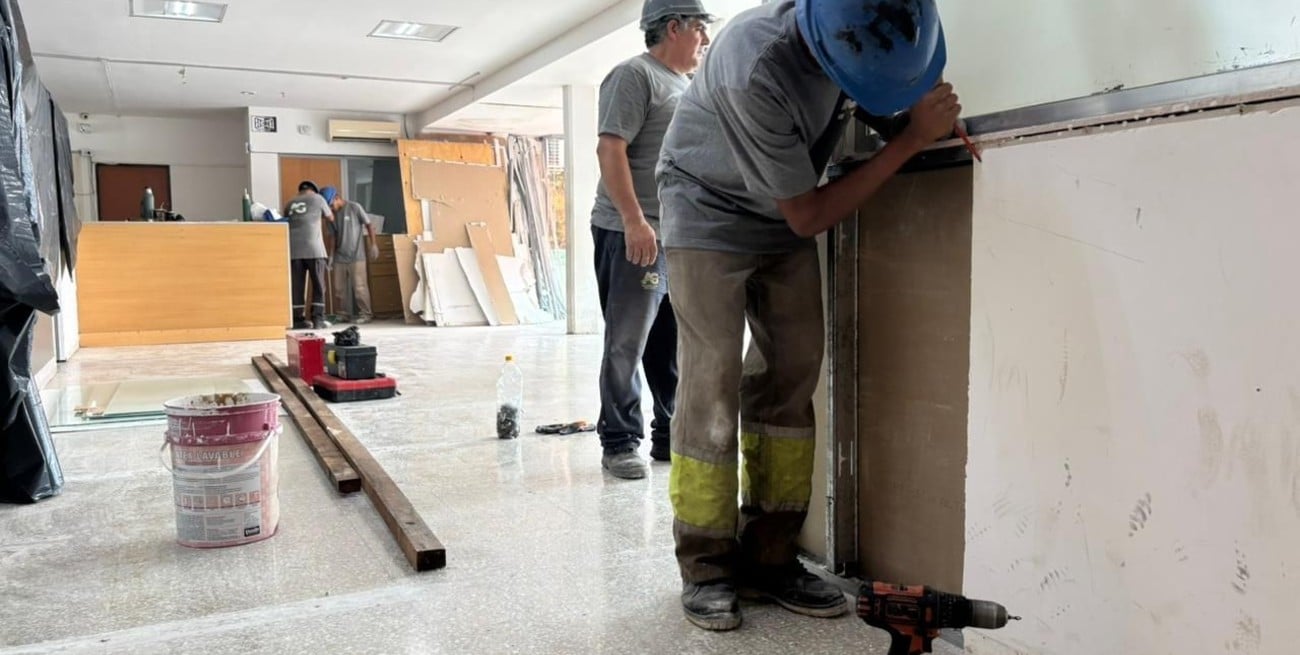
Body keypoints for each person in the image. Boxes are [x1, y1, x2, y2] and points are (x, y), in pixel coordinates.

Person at [656, 0, 962, 631]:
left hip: (780, 212)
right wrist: (911, 140)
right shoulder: (753, 67)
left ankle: (770, 555)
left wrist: (909, 106)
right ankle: (707, 566)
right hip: (707, 211)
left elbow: (871, 99)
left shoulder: (853, 29)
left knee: (792, 377)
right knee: (711, 387)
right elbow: (808, 216)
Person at [591, 0, 715, 480]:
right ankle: (620, 439)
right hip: (632, 231)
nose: (704, 39)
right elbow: (610, 148)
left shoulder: (686, 85)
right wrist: (633, 220)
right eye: (700, 28)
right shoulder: (634, 76)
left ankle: (669, 434)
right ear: (674, 26)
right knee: (627, 340)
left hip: (675, 235)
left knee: (670, 342)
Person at [321, 186, 379, 325]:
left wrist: (373, 244)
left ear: (337, 198)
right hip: (340, 257)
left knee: (360, 288)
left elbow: (369, 225)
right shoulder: (331, 216)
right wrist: (331, 256)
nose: (330, 208)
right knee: (339, 289)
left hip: (357, 256)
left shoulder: (354, 207)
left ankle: (366, 314)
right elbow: (333, 236)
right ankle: (343, 314)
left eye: (331, 204)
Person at [283, 180, 334, 330]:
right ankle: (318, 319)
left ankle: (298, 320)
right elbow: (330, 217)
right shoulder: (318, 199)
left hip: (293, 250)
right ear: (313, 190)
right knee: (318, 285)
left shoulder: (290, 202)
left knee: (297, 286)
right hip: (314, 249)